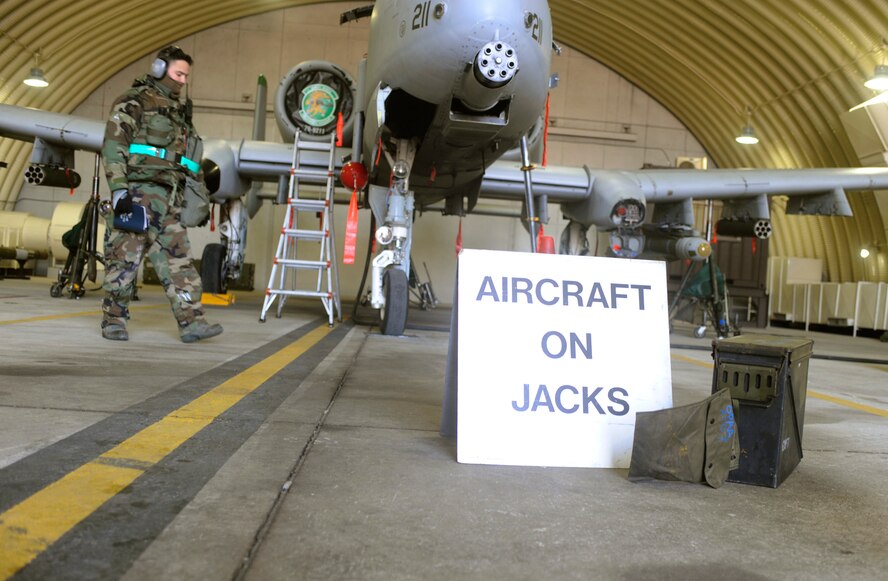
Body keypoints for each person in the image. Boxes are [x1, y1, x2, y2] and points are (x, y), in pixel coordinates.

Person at [100, 45, 222, 343]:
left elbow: (187, 158)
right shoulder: (134, 101)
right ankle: (113, 321)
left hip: (170, 200)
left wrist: (196, 194)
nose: (182, 81)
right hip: (137, 195)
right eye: (178, 74)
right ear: (159, 69)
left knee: (180, 264)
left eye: (186, 76)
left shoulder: (180, 113)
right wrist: (119, 190)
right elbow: (114, 145)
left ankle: (192, 323)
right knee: (124, 260)